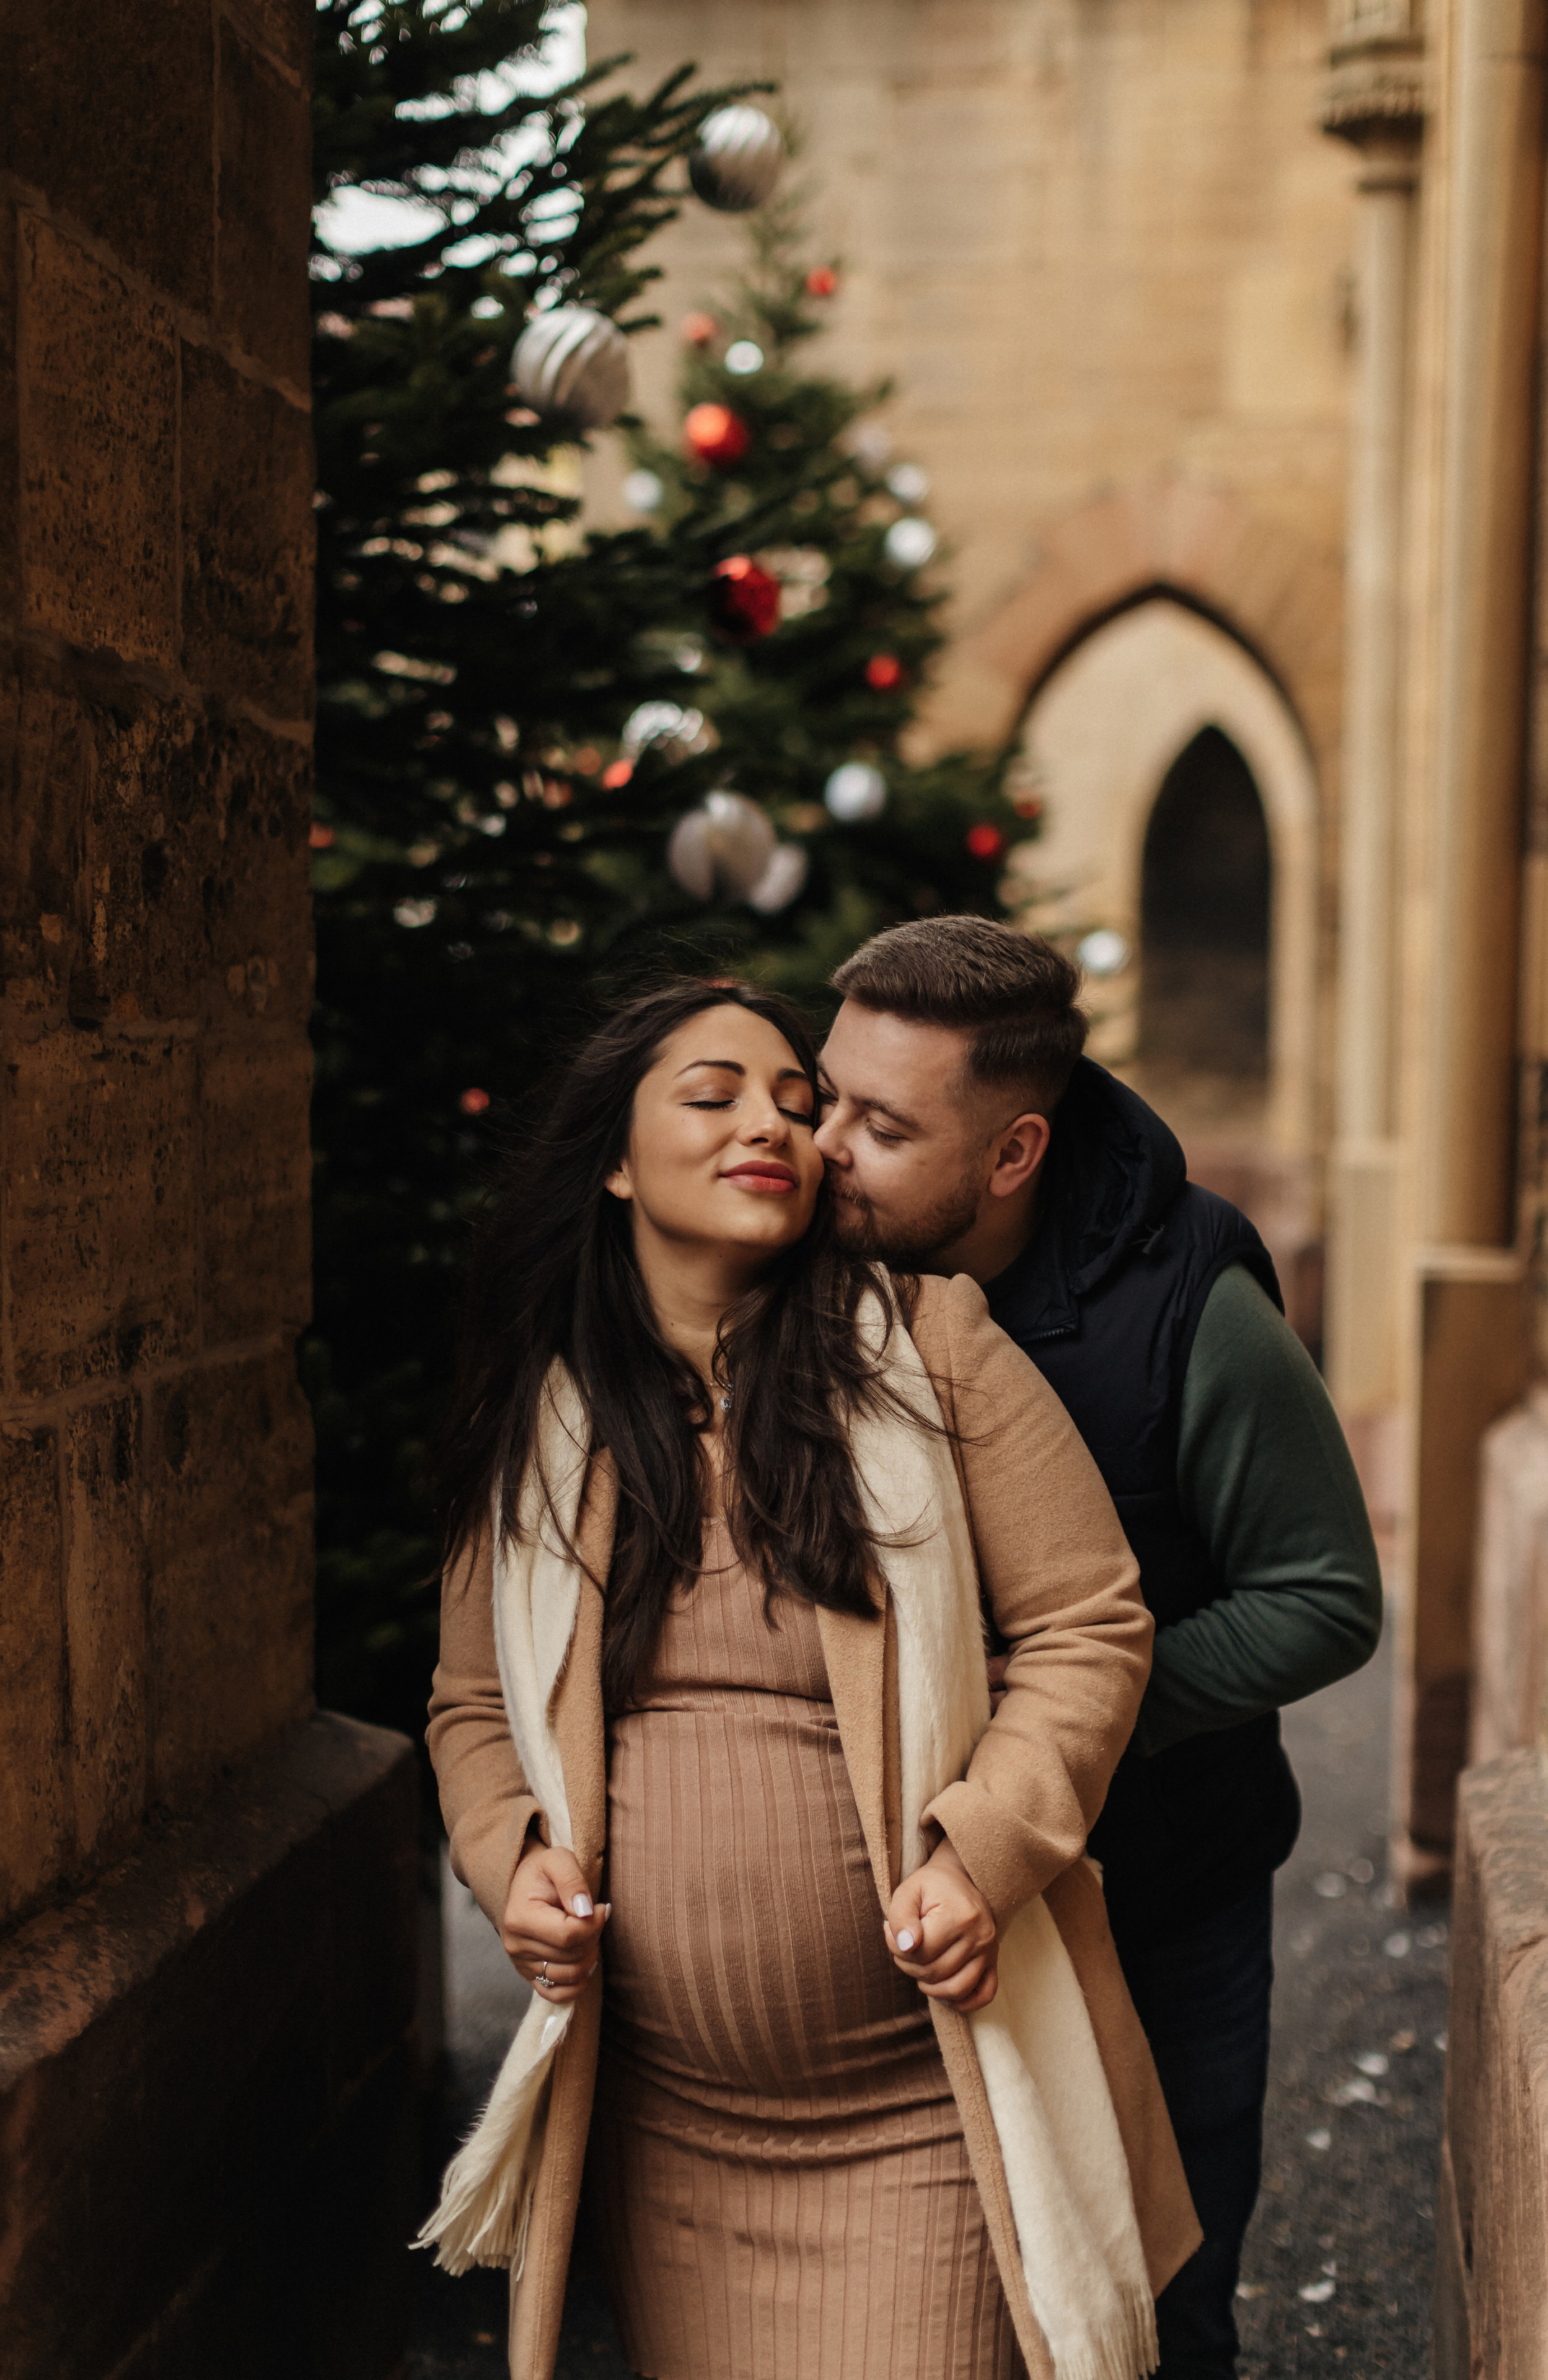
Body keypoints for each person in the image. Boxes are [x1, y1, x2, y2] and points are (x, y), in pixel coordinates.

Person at [418, 977, 1201, 2380]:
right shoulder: (542, 1417)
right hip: (669, 2131)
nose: (773, 1125)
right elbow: (473, 1703)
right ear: (613, 1158)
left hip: (926, 2108)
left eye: (796, 1102)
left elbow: (1089, 1622)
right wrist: (509, 1857)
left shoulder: (933, 1351)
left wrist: (981, 1854)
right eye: (712, 1098)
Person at [813, 917, 1383, 2380]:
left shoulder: (1198, 1308)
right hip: (905, 1926)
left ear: (1011, 1156)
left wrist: (1053, 1731)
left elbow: (1319, 1597)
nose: (824, 1147)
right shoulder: (813, 1261)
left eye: (880, 1125)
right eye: (827, 1095)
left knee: (1153, 2311)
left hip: (1159, 1901)